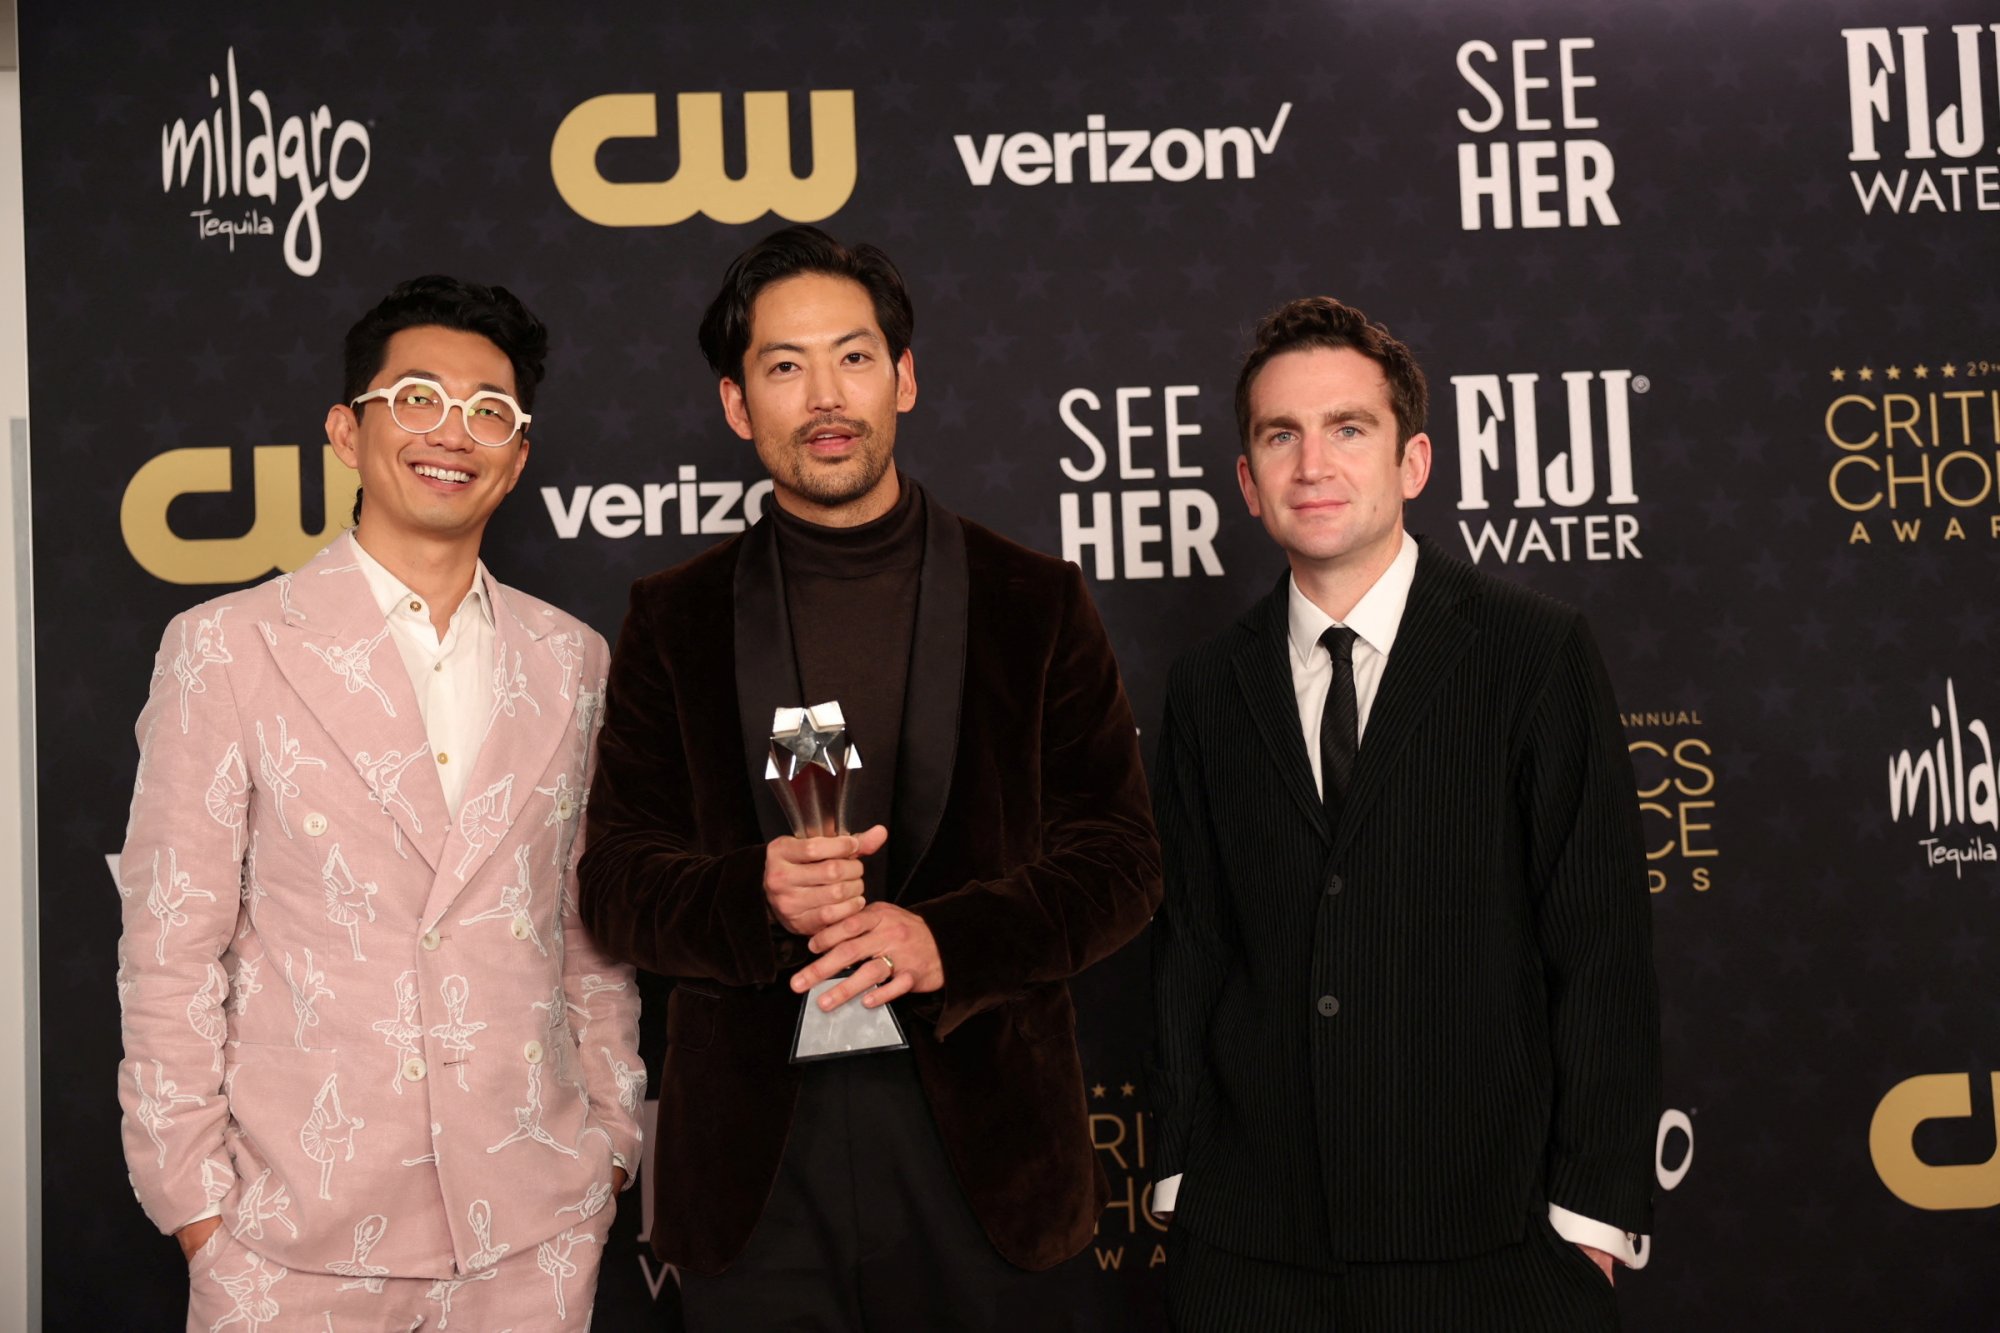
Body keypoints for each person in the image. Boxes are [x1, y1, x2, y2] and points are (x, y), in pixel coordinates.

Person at [577, 225, 1161, 1329]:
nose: (825, 397)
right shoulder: (675, 619)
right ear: (737, 404)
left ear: (903, 376)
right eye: (783, 366)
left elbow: (1122, 860)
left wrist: (950, 941)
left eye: (852, 357)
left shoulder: (1032, 601)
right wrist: (752, 892)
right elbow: (614, 883)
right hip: (759, 1172)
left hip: (987, 1156)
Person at [116, 276, 643, 1330]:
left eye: (488, 411)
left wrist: (611, 1145)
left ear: (517, 457)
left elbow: (585, 931)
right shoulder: (226, 648)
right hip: (290, 1237)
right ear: (347, 431)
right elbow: (171, 944)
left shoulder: (573, 660)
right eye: (417, 397)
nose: (452, 431)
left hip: (530, 1230)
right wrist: (197, 1207)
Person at [1150, 296, 1660, 1330]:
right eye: (1280, 436)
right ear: (1246, 481)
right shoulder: (1206, 685)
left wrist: (1590, 1224)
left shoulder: (1532, 653)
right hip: (1252, 1246)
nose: (1312, 464)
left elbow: (1600, 947)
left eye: (1348, 428)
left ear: (1412, 461)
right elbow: (1192, 944)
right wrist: (1177, 1180)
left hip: (1492, 1241)